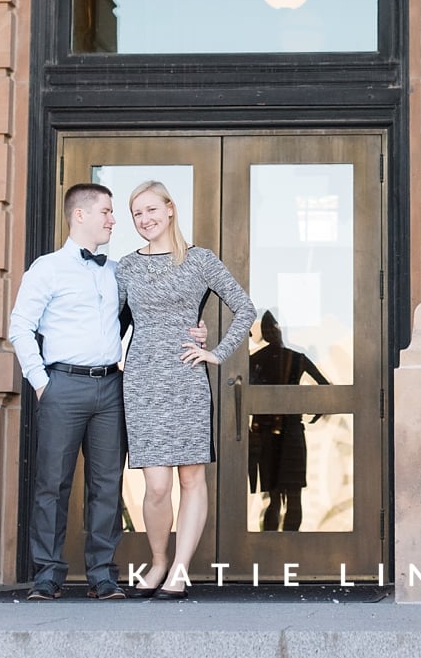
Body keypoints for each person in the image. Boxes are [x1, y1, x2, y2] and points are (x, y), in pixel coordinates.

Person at [8, 182, 207, 602]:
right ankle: (48, 573)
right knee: (52, 484)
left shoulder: (121, 270)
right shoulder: (46, 269)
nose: (115, 220)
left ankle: (102, 574)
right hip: (61, 384)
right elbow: (20, 327)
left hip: (112, 386)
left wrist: (197, 330)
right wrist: (42, 383)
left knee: (106, 485)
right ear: (80, 215)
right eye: (107, 212)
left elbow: (157, 317)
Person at [116, 180, 256, 599]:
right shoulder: (126, 266)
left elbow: (245, 308)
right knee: (155, 485)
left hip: (185, 379)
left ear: (170, 209)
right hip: (141, 381)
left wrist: (216, 352)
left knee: (191, 478)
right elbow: (114, 322)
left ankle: (179, 569)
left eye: (151, 210)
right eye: (137, 214)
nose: (145, 219)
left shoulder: (200, 260)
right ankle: (158, 561)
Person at [248, 310, 330, 531]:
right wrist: (314, 411)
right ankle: (289, 545)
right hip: (291, 430)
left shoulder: (255, 360)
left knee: (274, 498)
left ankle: (272, 548)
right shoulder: (296, 358)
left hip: (265, 432)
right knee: (292, 497)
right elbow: (326, 389)